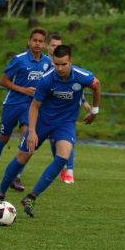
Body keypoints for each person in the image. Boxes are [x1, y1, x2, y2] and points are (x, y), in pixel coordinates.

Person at [0, 45, 101, 217]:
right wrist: (33, 132)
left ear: (70, 62)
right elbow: (34, 107)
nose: (59, 68)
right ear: (53, 62)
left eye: (63, 64)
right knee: (22, 157)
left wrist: (94, 111)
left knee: (63, 156)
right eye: (57, 64)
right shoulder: (46, 79)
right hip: (42, 121)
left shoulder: (82, 76)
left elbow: (97, 85)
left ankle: (31, 197)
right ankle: (0, 193)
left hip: (65, 123)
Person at [0, 28, 51, 191]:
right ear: (29, 42)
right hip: (13, 104)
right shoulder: (19, 60)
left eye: (41, 41)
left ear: (44, 44)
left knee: (28, 137)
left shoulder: (48, 62)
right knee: (4, 138)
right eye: (34, 40)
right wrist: (23, 90)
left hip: (30, 107)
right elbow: (3, 81)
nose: (37, 43)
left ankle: (16, 176)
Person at [46, 34, 91, 184]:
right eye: (53, 45)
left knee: (66, 138)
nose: (55, 48)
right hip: (48, 108)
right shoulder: (44, 64)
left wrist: (84, 101)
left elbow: (75, 86)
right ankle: (61, 166)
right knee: (53, 140)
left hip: (66, 109)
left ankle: (68, 170)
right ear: (48, 46)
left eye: (58, 45)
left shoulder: (65, 65)